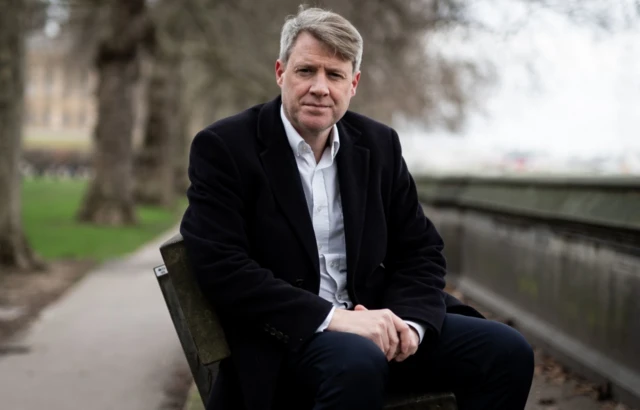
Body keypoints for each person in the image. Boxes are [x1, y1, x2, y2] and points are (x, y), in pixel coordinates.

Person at [180, 6, 534, 410]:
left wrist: (409, 326)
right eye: (306, 71)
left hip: (378, 328)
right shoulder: (225, 148)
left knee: (508, 352)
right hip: (287, 341)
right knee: (357, 361)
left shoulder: (379, 146)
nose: (319, 87)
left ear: (354, 83)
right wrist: (335, 319)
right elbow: (222, 267)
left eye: (334, 75)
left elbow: (421, 250)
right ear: (280, 72)